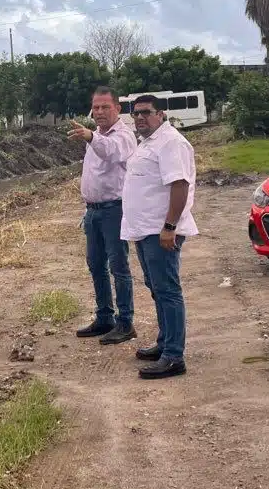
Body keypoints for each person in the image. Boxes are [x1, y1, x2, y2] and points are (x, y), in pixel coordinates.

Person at [121, 95, 198, 380]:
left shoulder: (171, 143)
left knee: (167, 291)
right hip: (144, 230)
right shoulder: (149, 142)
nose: (140, 118)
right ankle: (165, 343)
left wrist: (169, 226)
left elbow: (179, 185)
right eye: (135, 113)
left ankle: (174, 356)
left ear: (161, 114)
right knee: (156, 288)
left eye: (146, 113)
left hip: (160, 232)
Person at [67, 87, 138, 344]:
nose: (99, 112)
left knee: (119, 267)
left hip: (114, 210)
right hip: (93, 211)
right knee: (96, 265)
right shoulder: (96, 135)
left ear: (117, 108)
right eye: (95, 107)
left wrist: (89, 137)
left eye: (105, 107)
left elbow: (110, 151)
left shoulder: (124, 135)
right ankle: (105, 317)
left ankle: (125, 322)